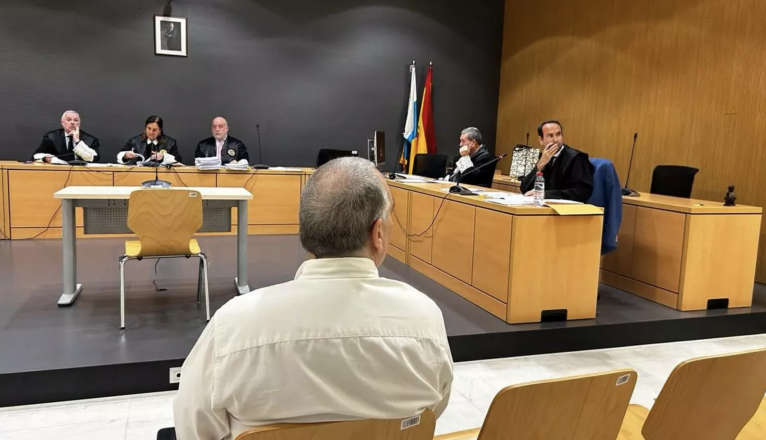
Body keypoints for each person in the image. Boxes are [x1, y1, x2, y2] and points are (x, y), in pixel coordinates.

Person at [171, 157, 453, 440]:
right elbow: (434, 408)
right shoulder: (424, 319)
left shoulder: (232, 327)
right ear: (377, 233)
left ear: (306, 229)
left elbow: (192, 429)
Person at [520, 120, 594, 202]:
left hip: (566, 207)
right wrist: (540, 165)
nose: (555, 139)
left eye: (558, 134)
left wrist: (546, 195)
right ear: (541, 140)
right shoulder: (542, 157)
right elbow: (524, 189)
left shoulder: (577, 158)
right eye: (550, 135)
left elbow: (582, 192)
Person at [32, 111, 100, 163]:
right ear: (62, 123)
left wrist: (77, 141)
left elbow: (94, 158)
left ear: (79, 124)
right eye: (69, 120)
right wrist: (45, 158)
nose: (72, 122)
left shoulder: (90, 140)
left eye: (76, 120)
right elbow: (36, 156)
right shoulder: (51, 137)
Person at [118, 116, 182, 165]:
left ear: (160, 131)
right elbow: (120, 155)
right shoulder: (134, 141)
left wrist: (163, 157)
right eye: (149, 128)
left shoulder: (170, 143)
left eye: (154, 130)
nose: (151, 132)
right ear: (145, 128)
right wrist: (125, 155)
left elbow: (177, 160)